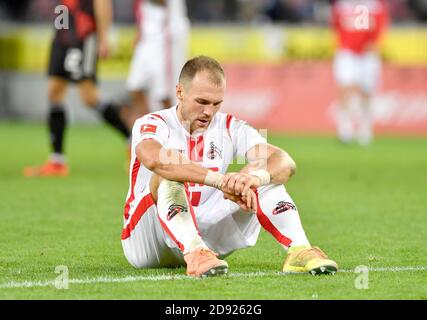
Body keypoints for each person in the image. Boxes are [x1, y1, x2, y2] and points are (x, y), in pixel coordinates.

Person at [121, 56, 338, 277]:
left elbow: (284, 161)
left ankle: (300, 251)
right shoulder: (153, 123)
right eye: (202, 102)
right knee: (167, 176)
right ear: (180, 92)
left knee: (261, 176)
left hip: (207, 238)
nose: (209, 112)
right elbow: (154, 159)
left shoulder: (230, 127)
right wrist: (221, 181)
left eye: (216, 104)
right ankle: (194, 252)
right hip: (148, 239)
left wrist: (253, 179)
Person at [24, 0, 130, 177]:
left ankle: (131, 138)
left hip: (83, 34)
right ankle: (57, 161)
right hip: (62, 34)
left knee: (89, 96)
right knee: (54, 91)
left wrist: (103, 37)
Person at [124, 0, 190, 129]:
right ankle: (153, 132)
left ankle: (180, 137)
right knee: (135, 87)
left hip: (166, 35)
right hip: (148, 35)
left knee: (166, 95)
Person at [331, 0, 389, 145]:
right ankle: (345, 130)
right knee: (345, 88)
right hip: (347, 53)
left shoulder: (376, 4)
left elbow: (382, 25)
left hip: (368, 54)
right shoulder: (341, 5)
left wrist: (374, 42)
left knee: (367, 92)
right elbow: (336, 25)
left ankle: (365, 129)